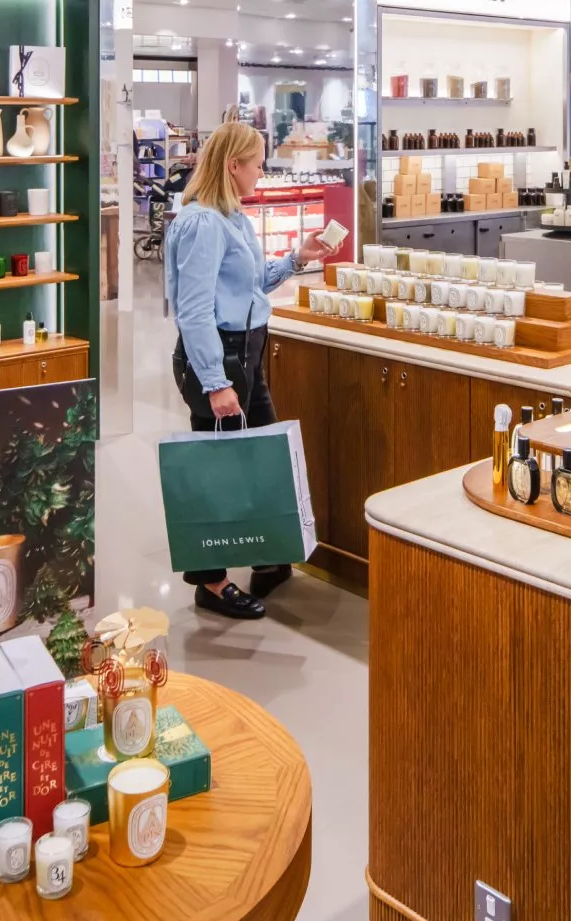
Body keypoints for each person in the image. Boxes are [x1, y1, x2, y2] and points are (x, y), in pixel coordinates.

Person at [165, 121, 332, 620]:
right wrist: (216, 382)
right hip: (220, 358)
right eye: (257, 163)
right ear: (233, 165)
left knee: (262, 457)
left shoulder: (233, 218)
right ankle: (210, 582)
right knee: (218, 471)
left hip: (247, 355)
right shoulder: (201, 223)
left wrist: (298, 259)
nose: (262, 171)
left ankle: (268, 556)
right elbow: (193, 310)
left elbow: (252, 283)